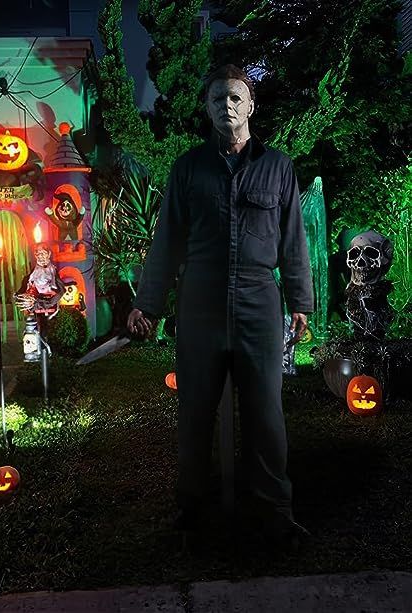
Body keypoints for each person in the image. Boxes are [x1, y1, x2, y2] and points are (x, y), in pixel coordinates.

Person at [127, 64, 314, 549]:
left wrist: (300, 303)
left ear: (250, 105)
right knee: (194, 413)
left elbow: (294, 241)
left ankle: (274, 512)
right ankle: (192, 510)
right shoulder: (188, 168)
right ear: (207, 110)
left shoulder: (278, 168)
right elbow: (166, 240)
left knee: (266, 415)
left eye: (234, 98)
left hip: (258, 301)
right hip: (200, 304)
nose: (226, 107)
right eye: (216, 100)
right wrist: (148, 303)